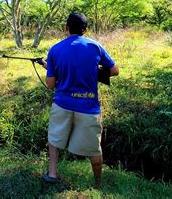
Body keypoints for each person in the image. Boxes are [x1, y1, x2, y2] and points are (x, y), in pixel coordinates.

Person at [40, 12, 119, 189]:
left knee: (54, 139)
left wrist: (49, 68)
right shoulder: (96, 46)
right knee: (94, 149)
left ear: (66, 28)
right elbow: (115, 71)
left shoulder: (55, 49)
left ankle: (52, 173)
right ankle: (98, 184)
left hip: (62, 104)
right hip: (89, 107)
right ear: (86, 30)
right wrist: (92, 72)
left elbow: (50, 84)